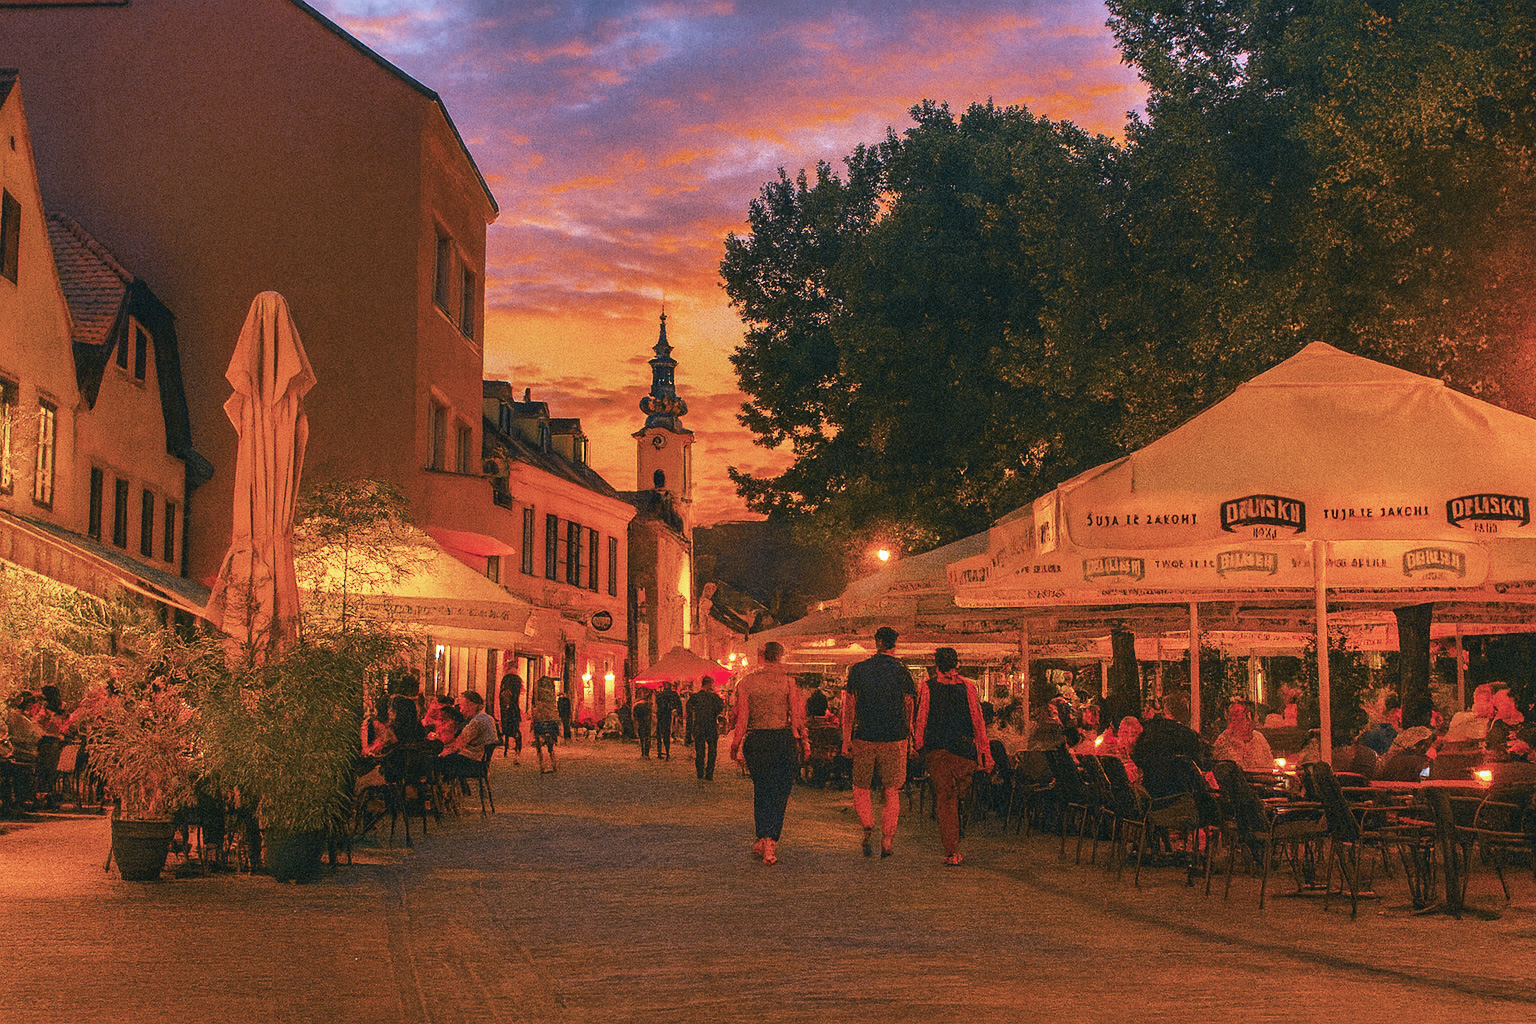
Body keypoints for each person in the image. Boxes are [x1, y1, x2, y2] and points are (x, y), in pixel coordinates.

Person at [841, 625, 917, 858]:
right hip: (895, 737)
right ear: (895, 644)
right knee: (891, 789)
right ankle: (887, 839)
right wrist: (911, 736)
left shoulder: (859, 669)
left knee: (860, 785)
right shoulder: (902, 671)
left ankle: (867, 823)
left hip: (865, 735)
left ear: (877, 642)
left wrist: (846, 738)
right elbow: (909, 705)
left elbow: (849, 705)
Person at [730, 642, 808, 865]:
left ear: (762, 656)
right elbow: (796, 716)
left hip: (757, 741)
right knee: (781, 792)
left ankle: (762, 837)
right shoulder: (788, 682)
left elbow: (742, 718)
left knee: (762, 789)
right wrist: (804, 740)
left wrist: (735, 745)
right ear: (781, 656)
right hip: (782, 740)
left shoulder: (746, 682)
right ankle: (771, 842)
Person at [913, 647, 991, 866]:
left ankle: (951, 849)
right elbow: (978, 721)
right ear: (957, 664)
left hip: (937, 750)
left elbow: (922, 717)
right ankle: (955, 839)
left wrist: (918, 744)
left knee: (946, 799)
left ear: (935, 665)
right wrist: (985, 751)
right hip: (964, 751)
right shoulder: (969, 687)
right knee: (960, 796)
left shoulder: (927, 687)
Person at [1132, 691, 1204, 799]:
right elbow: (1197, 766)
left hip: (1147, 792)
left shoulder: (1146, 729)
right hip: (1179, 795)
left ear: (1165, 709)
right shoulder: (1187, 735)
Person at [1211, 700, 1274, 770]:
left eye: (1237, 715)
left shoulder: (1259, 738)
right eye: (1231, 715)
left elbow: (1270, 766)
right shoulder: (1223, 740)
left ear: (1249, 717)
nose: (1233, 719)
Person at [687, 675, 726, 780]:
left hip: (699, 725)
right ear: (709, 684)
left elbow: (689, 709)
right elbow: (720, 709)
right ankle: (709, 773)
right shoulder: (715, 698)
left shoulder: (695, 697)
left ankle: (700, 772)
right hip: (711, 725)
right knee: (712, 750)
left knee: (699, 750)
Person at [531, 675, 561, 773]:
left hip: (540, 719)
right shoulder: (551, 698)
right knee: (550, 745)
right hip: (551, 719)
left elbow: (534, 705)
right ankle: (553, 764)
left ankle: (542, 766)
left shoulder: (538, 694)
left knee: (538, 745)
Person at [498, 671, 523, 762]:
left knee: (508, 732)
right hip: (513, 713)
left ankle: (506, 751)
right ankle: (516, 752)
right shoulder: (514, 695)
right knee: (515, 732)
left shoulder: (505, 693)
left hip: (507, 714)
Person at [654, 682, 682, 761]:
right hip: (667, 716)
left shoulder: (660, 695)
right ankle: (667, 752)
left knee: (659, 734)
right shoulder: (673, 694)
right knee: (666, 734)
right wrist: (679, 713)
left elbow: (657, 703)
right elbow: (678, 704)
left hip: (660, 716)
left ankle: (659, 752)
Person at [633, 692, 654, 758]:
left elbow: (634, 716)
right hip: (647, 723)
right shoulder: (647, 705)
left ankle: (643, 752)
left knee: (642, 738)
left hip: (640, 723)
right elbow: (650, 714)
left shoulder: (637, 705)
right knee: (647, 737)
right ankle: (647, 753)